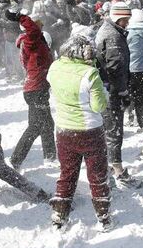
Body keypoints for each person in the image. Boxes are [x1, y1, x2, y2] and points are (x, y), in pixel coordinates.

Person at [47, 34, 111, 229]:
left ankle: (59, 213)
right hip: (89, 131)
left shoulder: (54, 67)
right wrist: (104, 94)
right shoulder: (90, 74)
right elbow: (99, 106)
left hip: (64, 130)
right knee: (97, 174)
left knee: (67, 173)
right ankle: (103, 217)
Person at [95, 1, 142, 189]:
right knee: (114, 132)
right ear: (117, 18)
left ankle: (107, 168)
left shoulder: (107, 30)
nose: (127, 23)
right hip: (112, 92)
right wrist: (122, 91)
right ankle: (117, 171)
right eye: (125, 20)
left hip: (106, 89)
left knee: (109, 131)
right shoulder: (114, 36)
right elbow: (116, 68)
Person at [7, 9, 56, 169]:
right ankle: (16, 159)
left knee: (47, 123)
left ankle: (50, 157)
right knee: (36, 126)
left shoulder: (35, 40)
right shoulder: (30, 39)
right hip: (35, 89)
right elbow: (33, 30)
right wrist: (19, 17)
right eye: (38, 24)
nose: (41, 26)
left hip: (38, 87)